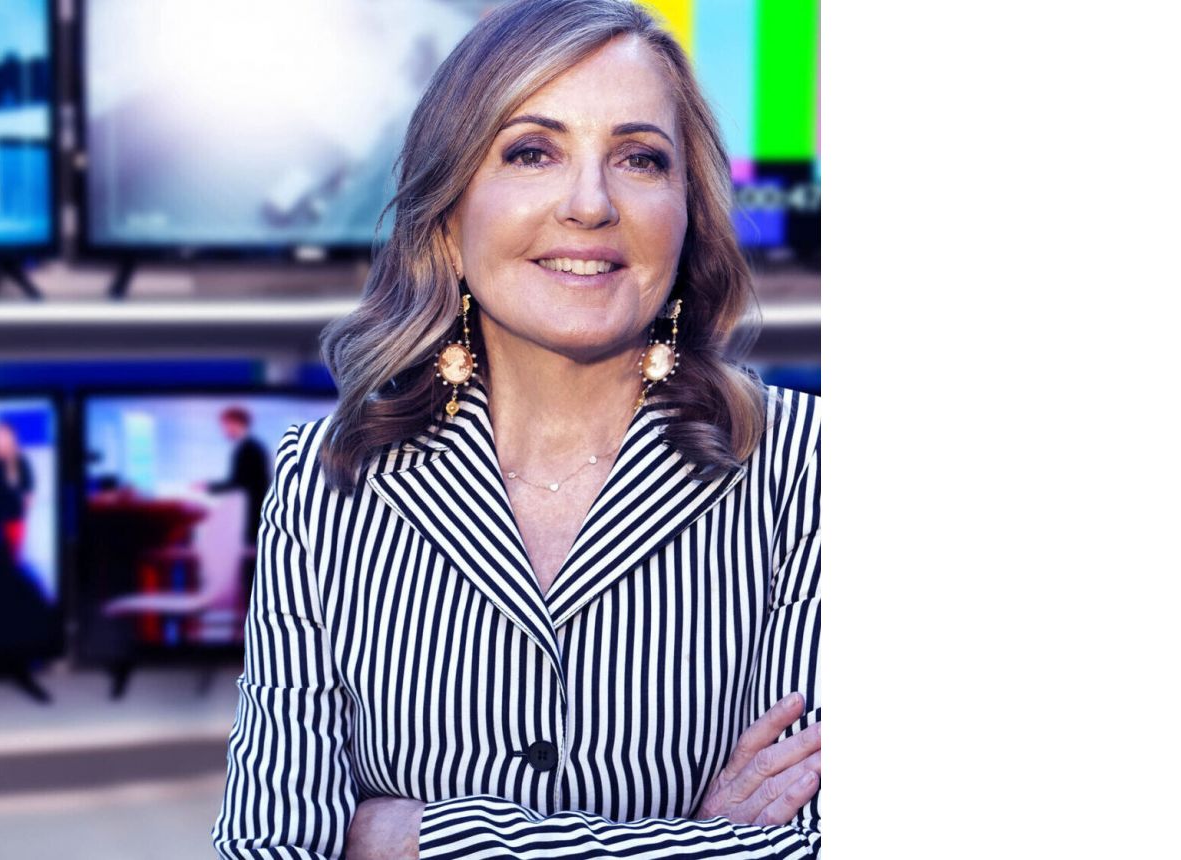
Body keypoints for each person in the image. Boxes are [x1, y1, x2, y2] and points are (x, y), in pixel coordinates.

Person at [213, 2, 821, 858]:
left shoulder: (809, 466)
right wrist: (697, 841)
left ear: (690, 214)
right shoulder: (325, 481)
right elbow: (268, 844)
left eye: (640, 159)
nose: (590, 203)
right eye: (532, 152)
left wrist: (404, 836)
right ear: (448, 214)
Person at [198, 406, 273, 549]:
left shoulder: (249, 449)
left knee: (251, 552)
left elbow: (241, 482)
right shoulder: (250, 447)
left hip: (253, 512)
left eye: (225, 425)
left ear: (236, 423)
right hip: (253, 511)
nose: (224, 430)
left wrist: (208, 486)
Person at [0, 420, 33, 561]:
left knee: (10, 562)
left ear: (12, 438)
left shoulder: (21, 462)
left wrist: (19, 516)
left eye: (3, 435)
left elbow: (27, 495)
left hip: (11, 522)